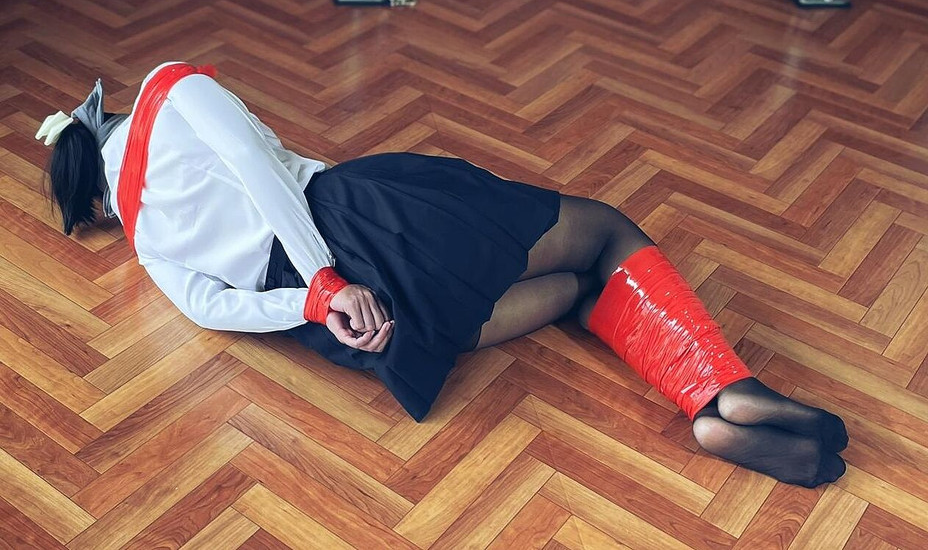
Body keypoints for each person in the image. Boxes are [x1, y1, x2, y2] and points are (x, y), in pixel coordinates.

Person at [39, 62, 847, 488]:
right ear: (107, 115)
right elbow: (258, 168)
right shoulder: (172, 89)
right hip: (370, 225)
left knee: (576, 294)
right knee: (604, 230)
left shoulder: (146, 242)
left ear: (99, 203)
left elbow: (215, 309)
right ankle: (724, 393)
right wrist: (328, 277)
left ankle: (711, 406)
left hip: (374, 331)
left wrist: (317, 306)